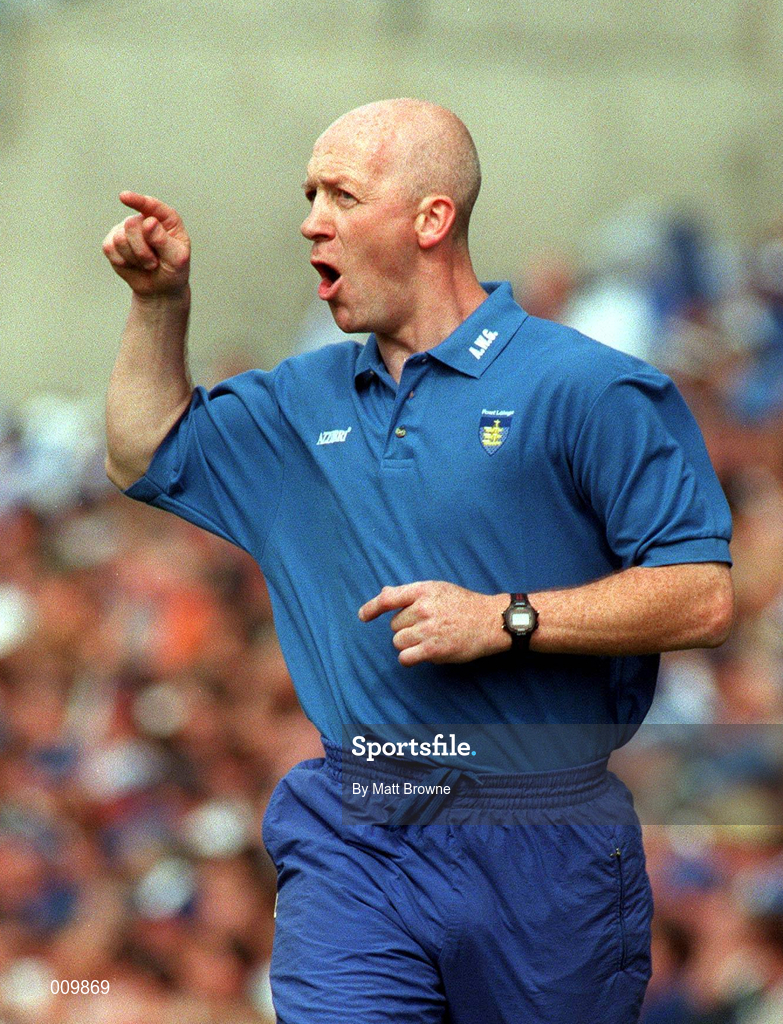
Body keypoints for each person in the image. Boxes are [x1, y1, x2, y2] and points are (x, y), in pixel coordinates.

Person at [102, 98, 734, 1024]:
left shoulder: (586, 387)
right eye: (309, 193)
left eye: (343, 195)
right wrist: (160, 307)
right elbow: (140, 449)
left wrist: (508, 617)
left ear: (431, 220)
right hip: (356, 829)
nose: (311, 218)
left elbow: (702, 596)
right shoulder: (299, 399)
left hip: (541, 839)